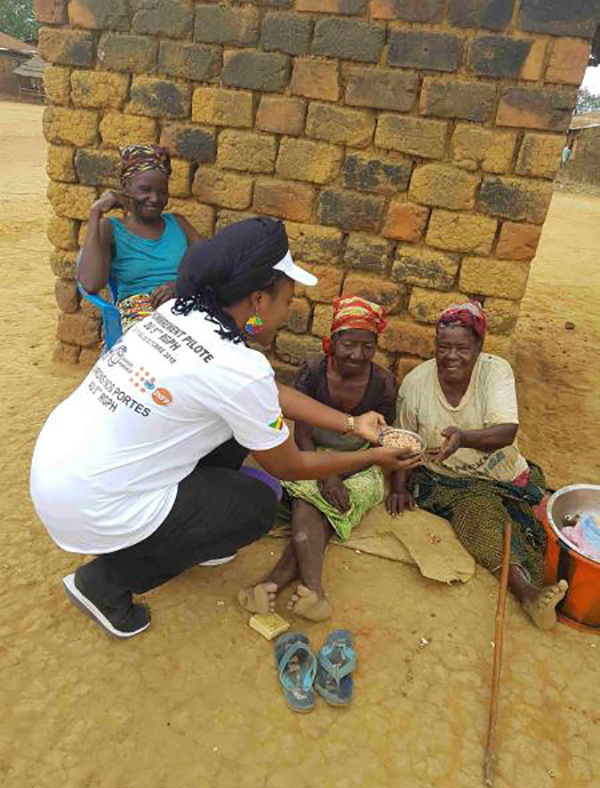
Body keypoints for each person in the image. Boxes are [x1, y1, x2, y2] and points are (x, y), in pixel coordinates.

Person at [30, 217, 420, 639]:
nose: (289, 311)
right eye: (287, 299)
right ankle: (102, 585)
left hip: (60, 469)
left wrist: (353, 424)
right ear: (257, 300)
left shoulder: (178, 315)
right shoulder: (236, 367)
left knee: (240, 429)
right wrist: (375, 455)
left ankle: (192, 534)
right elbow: (288, 466)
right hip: (92, 504)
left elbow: (268, 393)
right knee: (256, 506)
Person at [395, 301, 568, 631]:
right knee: (480, 515)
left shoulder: (495, 371)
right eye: (443, 347)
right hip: (447, 479)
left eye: (462, 347)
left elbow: (507, 432)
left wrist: (464, 438)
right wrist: (401, 487)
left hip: (502, 470)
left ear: (479, 347)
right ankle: (528, 594)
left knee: (542, 522)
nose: (451, 356)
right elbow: (405, 440)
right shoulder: (416, 384)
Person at [239, 296, 405, 622]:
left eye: (367, 346)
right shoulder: (313, 370)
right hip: (311, 454)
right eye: (349, 344)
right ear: (333, 340)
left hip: (361, 463)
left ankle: (271, 582)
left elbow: (381, 440)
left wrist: (341, 475)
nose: (357, 355)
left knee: (323, 505)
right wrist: (327, 475)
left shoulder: (383, 383)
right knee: (311, 498)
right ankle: (313, 589)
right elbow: (302, 431)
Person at [77, 144, 203, 332]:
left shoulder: (178, 223)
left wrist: (180, 286)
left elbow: (212, 263)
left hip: (185, 305)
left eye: (162, 192)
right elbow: (91, 283)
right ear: (125, 187)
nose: (155, 198)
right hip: (140, 314)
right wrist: (95, 213)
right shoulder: (111, 229)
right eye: (145, 189)